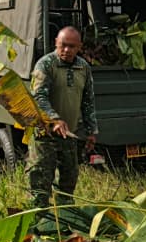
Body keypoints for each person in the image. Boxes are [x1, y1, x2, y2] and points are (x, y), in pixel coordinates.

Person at [27, 26, 98, 209]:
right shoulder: (45, 64)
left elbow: (88, 101)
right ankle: (37, 224)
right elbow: (38, 97)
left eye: (72, 46)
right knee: (41, 185)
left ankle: (64, 226)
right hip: (45, 136)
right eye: (63, 45)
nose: (67, 50)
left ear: (79, 47)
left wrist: (91, 131)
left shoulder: (83, 67)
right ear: (56, 44)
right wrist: (55, 119)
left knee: (68, 184)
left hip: (70, 136)